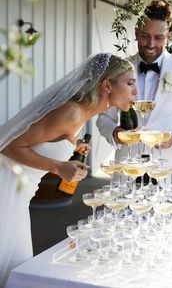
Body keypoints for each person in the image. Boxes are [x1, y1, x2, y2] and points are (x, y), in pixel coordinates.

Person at [0, 53, 136, 286]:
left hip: (19, 195)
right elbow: (7, 146)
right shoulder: (72, 113)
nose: (136, 92)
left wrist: (70, 147)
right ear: (107, 85)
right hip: (5, 191)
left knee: (14, 270)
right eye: (130, 83)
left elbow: (40, 141)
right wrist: (58, 166)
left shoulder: (81, 114)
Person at [96, 1, 172, 188]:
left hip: (171, 174)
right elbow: (103, 117)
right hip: (127, 173)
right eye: (145, 36)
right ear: (135, 34)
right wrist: (114, 132)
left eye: (158, 38)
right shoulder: (118, 69)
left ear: (169, 37)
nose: (150, 44)